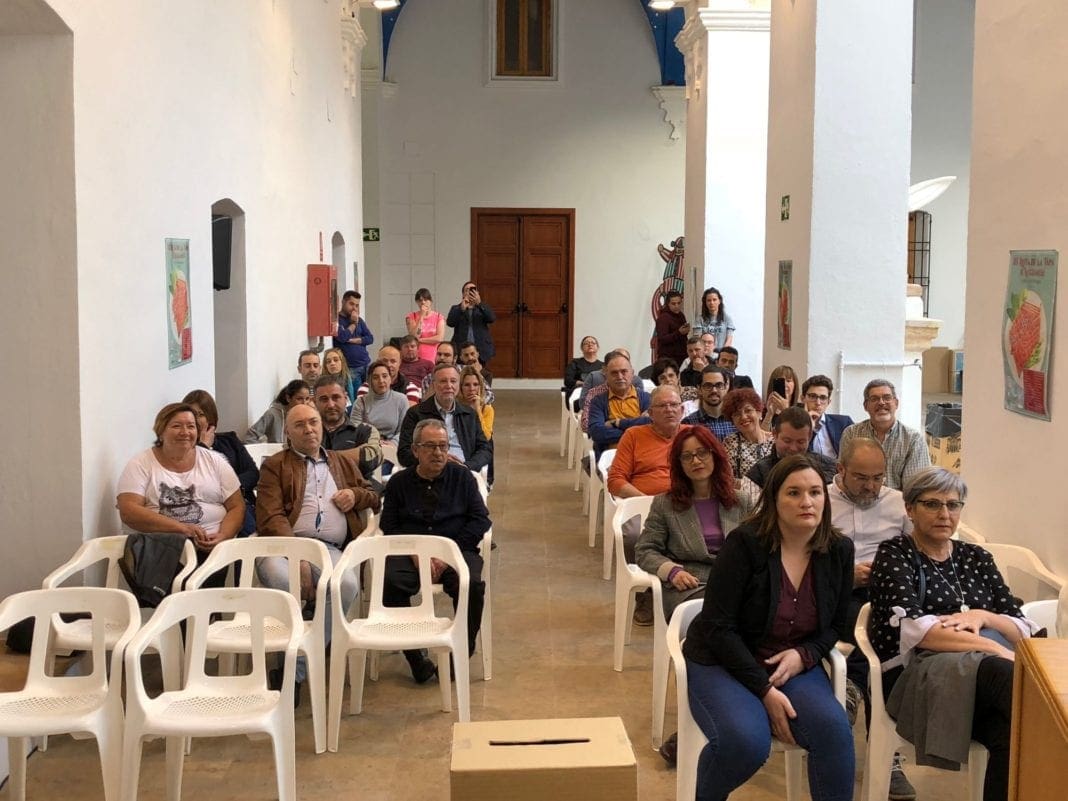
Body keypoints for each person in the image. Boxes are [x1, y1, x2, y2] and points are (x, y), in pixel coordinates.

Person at [682, 454, 856, 801]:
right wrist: (763, 690)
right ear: (774, 499)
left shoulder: (838, 550)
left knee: (834, 732)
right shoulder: (745, 545)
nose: (807, 502)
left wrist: (805, 655)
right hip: (723, 659)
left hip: (788, 661)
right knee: (746, 742)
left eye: (815, 492)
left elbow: (836, 624)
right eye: (794, 493)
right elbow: (717, 627)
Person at [869, 468, 1036, 801]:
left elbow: (1024, 628)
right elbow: (919, 632)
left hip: (983, 685)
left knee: (1015, 734)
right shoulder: (894, 554)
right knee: (1012, 679)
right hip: (920, 679)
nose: (944, 514)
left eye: (953, 504)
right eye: (932, 504)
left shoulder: (977, 557)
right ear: (910, 509)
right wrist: (993, 647)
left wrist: (983, 616)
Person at [255, 402, 380, 700]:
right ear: (287, 433)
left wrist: (355, 495)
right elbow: (270, 515)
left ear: (322, 427)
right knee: (284, 582)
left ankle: (293, 669)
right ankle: (300, 662)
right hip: (282, 547)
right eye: (299, 425)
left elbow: (374, 496)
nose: (309, 429)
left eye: (313, 422)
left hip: (329, 550)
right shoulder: (275, 465)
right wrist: (297, 555)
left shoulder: (341, 462)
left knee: (345, 586)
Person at [828, 436, 916, 799]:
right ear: (841, 470)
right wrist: (845, 575)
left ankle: (850, 690)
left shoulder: (898, 504)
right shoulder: (819, 501)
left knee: (883, 636)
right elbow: (801, 558)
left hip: (887, 595)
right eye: (862, 478)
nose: (871, 486)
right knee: (880, 641)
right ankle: (886, 757)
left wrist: (890, 572)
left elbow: (916, 553)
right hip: (837, 594)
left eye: (878, 477)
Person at [381, 419, 491, 684]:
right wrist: (414, 552)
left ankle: (461, 652)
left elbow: (480, 520)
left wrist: (446, 553)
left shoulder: (463, 478)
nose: (438, 453)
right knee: (390, 583)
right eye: (430, 446)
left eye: (443, 446)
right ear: (415, 450)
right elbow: (389, 525)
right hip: (411, 553)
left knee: (471, 585)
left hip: (456, 548)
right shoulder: (399, 482)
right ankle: (416, 657)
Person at [635, 426, 750, 624]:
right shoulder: (665, 504)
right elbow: (645, 550)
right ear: (679, 464)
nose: (696, 461)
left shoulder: (741, 501)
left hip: (735, 581)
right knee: (719, 615)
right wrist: (672, 572)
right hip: (689, 585)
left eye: (702, 453)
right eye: (687, 457)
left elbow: (757, 546)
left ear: (715, 455)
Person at [117, 403, 245, 581]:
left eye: (191, 426)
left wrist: (223, 536)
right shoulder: (141, 463)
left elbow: (237, 506)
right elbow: (129, 511)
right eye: (176, 426)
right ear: (161, 431)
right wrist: (182, 529)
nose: (185, 432)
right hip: (163, 549)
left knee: (206, 575)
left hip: (213, 548)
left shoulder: (215, 461)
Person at [182, 389, 259, 537]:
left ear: (210, 418)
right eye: (191, 414)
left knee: (245, 525)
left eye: (200, 414)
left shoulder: (229, 440)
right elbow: (193, 481)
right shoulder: (183, 450)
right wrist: (203, 447)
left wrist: (230, 491)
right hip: (206, 507)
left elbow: (253, 473)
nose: (195, 420)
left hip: (240, 502)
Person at [397, 364, 493, 471]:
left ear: (458, 385)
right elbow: (404, 453)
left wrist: (468, 466)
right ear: (434, 385)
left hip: (464, 470)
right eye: (443, 381)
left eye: (453, 381)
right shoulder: (416, 413)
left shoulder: (469, 414)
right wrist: (436, 459)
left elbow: (485, 449)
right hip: (429, 472)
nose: (449, 385)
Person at [839, 379, 931, 490]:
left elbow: (914, 487)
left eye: (887, 398)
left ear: (896, 403)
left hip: (898, 500)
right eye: (874, 399)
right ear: (865, 406)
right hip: (858, 497)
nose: (881, 403)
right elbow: (844, 476)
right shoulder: (851, 434)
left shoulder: (913, 440)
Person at [745, 406, 837, 490]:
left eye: (800, 442)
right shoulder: (758, 474)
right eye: (787, 441)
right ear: (775, 434)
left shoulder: (829, 468)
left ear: (809, 437)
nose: (793, 448)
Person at [313, 376, 383, 482]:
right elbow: (300, 463)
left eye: (336, 397)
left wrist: (320, 459)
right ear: (315, 402)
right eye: (324, 399)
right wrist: (354, 455)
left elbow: (370, 459)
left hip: (358, 488)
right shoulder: (307, 433)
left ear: (346, 399)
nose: (331, 405)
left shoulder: (365, 431)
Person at [587, 352, 652, 459]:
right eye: (614, 373)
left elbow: (652, 425)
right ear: (606, 376)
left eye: (624, 371)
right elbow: (597, 432)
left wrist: (617, 423)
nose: (620, 376)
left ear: (632, 373)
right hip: (610, 459)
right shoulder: (597, 401)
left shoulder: (647, 398)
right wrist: (638, 429)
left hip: (644, 455)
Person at [351, 360, 409, 445]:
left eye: (385, 376)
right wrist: (374, 443)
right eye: (375, 377)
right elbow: (354, 431)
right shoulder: (360, 402)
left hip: (393, 446)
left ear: (390, 379)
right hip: (367, 445)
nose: (381, 381)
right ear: (370, 381)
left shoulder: (401, 400)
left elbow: (404, 430)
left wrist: (392, 443)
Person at [721, 388, 774, 479]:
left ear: (759, 413)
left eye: (748, 410)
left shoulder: (774, 441)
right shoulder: (730, 443)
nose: (743, 417)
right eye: (737, 414)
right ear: (732, 421)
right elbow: (728, 479)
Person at [801, 374, 854, 460]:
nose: (818, 403)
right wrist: (809, 428)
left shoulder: (844, 423)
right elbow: (800, 455)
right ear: (803, 399)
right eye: (813, 396)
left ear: (828, 402)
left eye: (823, 398)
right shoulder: (796, 426)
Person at [244, 380, 311, 444]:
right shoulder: (273, 414)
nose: (304, 403)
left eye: (307, 399)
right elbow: (250, 436)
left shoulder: (308, 415)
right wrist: (263, 450)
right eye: (299, 399)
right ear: (288, 398)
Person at [682, 365, 737, 441]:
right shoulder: (688, 423)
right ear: (699, 389)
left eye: (719, 385)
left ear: (725, 387)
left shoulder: (736, 420)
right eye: (708, 386)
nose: (714, 390)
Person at [447, 281, 496, 364]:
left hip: (481, 349)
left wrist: (479, 303)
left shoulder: (483, 308)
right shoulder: (456, 308)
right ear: (463, 294)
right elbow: (450, 323)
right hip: (461, 349)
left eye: (473, 290)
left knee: (481, 371)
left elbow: (492, 319)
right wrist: (461, 309)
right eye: (467, 290)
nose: (470, 292)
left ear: (477, 293)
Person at [333, 290, 373, 386]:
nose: (354, 308)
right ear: (343, 302)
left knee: (370, 392)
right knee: (356, 394)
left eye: (357, 305)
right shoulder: (336, 320)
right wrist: (353, 324)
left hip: (366, 364)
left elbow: (370, 338)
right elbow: (342, 338)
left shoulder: (360, 320)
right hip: (350, 368)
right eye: (351, 304)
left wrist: (355, 340)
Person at [405, 287, 446, 363]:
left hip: (434, 355)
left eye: (426, 299)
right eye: (420, 300)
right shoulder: (411, 316)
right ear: (417, 302)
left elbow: (439, 338)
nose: (423, 302)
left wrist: (420, 340)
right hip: (418, 355)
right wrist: (421, 317)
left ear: (431, 301)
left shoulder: (438, 317)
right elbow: (414, 336)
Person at [692, 287, 734, 352]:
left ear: (719, 301)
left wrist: (722, 354)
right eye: (709, 300)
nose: (711, 303)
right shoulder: (699, 319)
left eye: (714, 300)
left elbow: (729, 339)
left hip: (722, 354)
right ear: (705, 302)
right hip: (705, 354)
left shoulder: (727, 319)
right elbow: (698, 341)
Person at [564, 335, 603, 406]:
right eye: (586, 343)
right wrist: (584, 384)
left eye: (593, 343)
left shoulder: (603, 366)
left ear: (597, 347)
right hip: (579, 396)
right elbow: (567, 381)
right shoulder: (575, 363)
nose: (590, 344)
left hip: (599, 396)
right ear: (582, 348)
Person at [655, 290, 690, 364]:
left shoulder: (681, 315)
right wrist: (679, 333)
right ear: (668, 304)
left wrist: (685, 331)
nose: (677, 306)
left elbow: (682, 335)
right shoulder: (663, 318)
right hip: (668, 358)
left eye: (679, 303)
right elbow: (662, 339)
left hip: (681, 355)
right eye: (673, 304)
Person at [460, 365, 494, 441]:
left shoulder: (486, 409)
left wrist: (477, 410)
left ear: (480, 387)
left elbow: (486, 437)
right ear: (460, 387)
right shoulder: (455, 407)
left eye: (475, 384)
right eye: (467, 385)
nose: (471, 389)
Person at [762, 364, 800, 430]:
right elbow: (762, 435)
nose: (784, 384)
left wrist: (786, 410)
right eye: (780, 381)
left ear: (795, 385)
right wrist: (769, 414)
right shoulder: (764, 410)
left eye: (788, 381)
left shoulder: (801, 410)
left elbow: (798, 432)